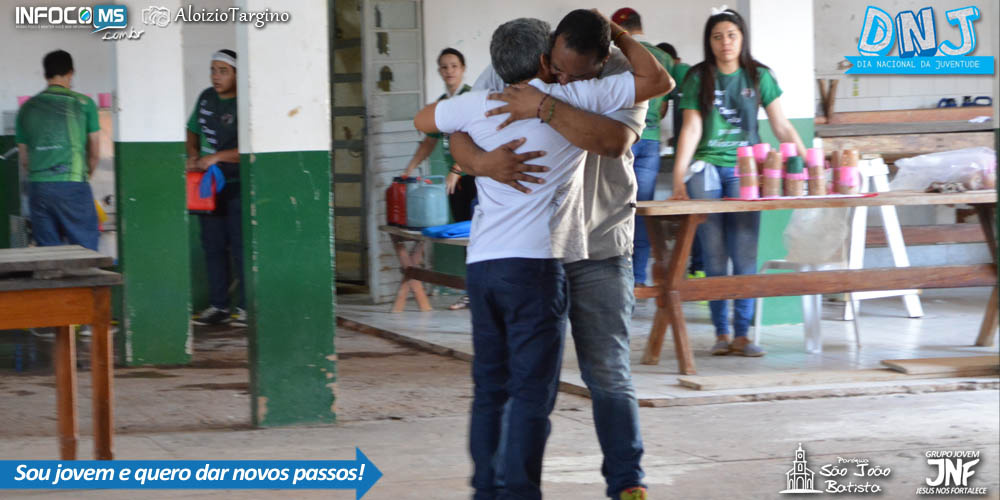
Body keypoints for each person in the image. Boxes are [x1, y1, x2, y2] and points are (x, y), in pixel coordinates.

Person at [415, 11, 670, 500]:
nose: (566, 79)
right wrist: (482, 163)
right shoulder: (519, 65)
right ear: (546, 54)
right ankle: (504, 488)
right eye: (559, 69)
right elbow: (459, 129)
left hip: (596, 239)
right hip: (533, 255)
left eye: (578, 72)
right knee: (521, 386)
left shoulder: (620, 74)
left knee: (606, 371)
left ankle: (625, 482)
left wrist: (545, 107)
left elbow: (613, 140)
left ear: (602, 57)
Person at [671, 9, 807, 357]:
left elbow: (781, 125)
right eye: (717, 37)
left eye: (731, 35)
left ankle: (743, 334)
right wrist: (679, 175)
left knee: (745, 252)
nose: (725, 43)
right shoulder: (698, 76)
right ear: (709, 42)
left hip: (746, 170)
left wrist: (805, 159)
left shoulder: (758, 75)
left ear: (742, 38)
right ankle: (721, 332)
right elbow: (692, 128)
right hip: (706, 169)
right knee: (714, 255)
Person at [403, 48, 475, 310]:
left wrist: (457, 169)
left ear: (463, 69)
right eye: (444, 67)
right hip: (454, 181)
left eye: (454, 66)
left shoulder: (472, 97)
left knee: (479, 234)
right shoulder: (442, 104)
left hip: (475, 175)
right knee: (464, 236)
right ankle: (471, 291)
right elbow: (429, 141)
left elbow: (477, 138)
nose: (449, 71)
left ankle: (482, 291)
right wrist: (409, 169)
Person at [610, 7, 674, 287]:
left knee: (615, 209)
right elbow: (664, 106)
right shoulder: (664, 57)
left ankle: (618, 278)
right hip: (650, 140)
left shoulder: (614, 55)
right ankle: (638, 279)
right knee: (642, 209)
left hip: (622, 136)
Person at [16, 50, 100, 252]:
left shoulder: (27, 108)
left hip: (38, 188)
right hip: (72, 184)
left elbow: (24, 159)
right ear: (71, 73)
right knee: (85, 251)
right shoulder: (84, 104)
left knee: (49, 254)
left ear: (45, 74)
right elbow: (95, 152)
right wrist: (86, 176)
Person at [186, 50, 246, 327]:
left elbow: (250, 148)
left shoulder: (245, 101)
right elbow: (192, 130)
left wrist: (217, 157)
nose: (216, 76)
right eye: (213, 70)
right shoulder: (206, 98)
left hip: (237, 185)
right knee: (212, 246)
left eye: (223, 71)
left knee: (241, 247)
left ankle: (245, 307)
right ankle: (218, 306)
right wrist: (194, 155)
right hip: (207, 188)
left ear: (237, 74)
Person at [656, 41, 701, 277]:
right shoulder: (691, 73)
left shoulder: (676, 73)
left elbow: (662, 110)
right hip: (699, 149)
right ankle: (698, 268)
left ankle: (697, 268)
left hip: (692, 152)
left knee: (693, 212)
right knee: (699, 211)